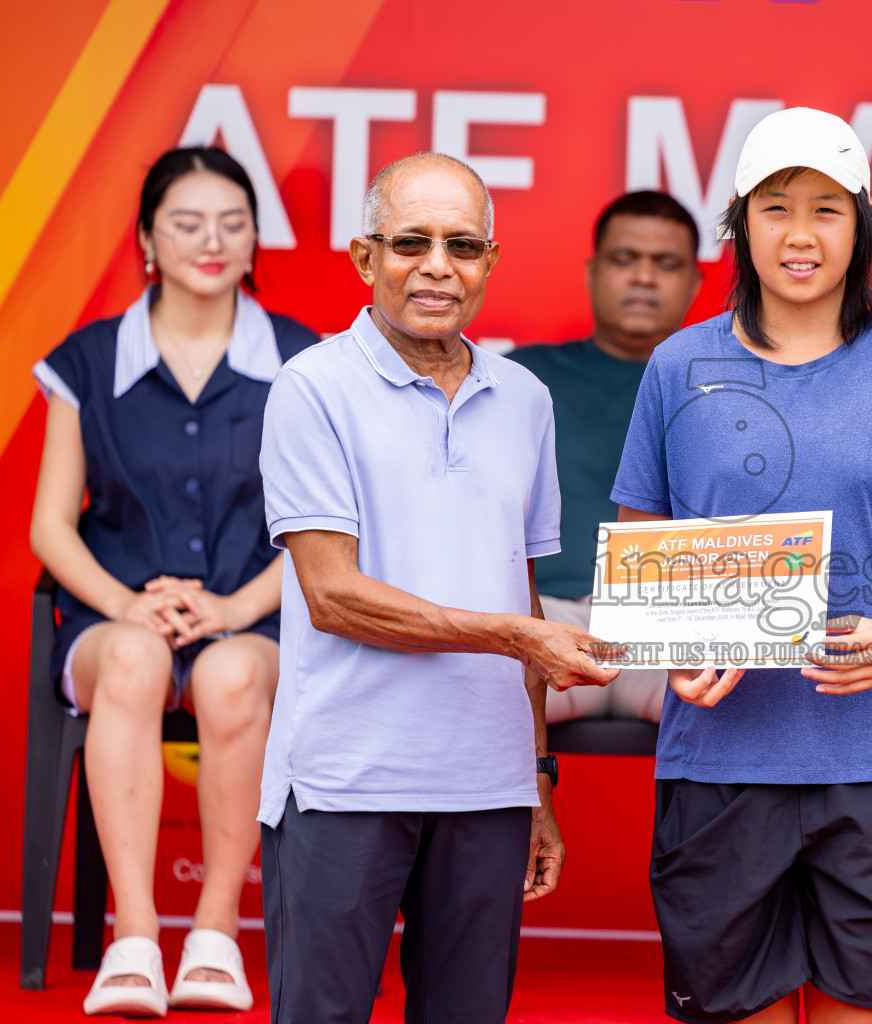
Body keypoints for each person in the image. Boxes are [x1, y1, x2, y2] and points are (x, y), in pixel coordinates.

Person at [612, 107, 872, 1024]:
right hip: (719, 760)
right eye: (776, 208)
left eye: (828, 209)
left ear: (863, 228)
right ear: (739, 225)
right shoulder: (677, 365)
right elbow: (646, 563)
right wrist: (682, 647)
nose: (802, 235)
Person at [256, 152, 621, 1024]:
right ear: (363, 257)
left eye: (462, 246)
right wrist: (510, 637)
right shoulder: (312, 389)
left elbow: (523, 595)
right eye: (411, 242)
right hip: (347, 779)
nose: (437, 266)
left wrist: (535, 776)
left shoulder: (526, 399)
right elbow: (334, 595)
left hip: (489, 788)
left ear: (490, 263)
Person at [28, 146, 319, 1017]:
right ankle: (134, 937)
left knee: (231, 674)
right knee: (133, 664)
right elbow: (50, 523)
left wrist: (234, 607)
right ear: (147, 238)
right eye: (187, 223)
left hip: (253, 614)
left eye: (232, 223)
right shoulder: (86, 363)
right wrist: (128, 604)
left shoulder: (303, 363)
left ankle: (216, 935)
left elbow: (323, 529)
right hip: (114, 616)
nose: (212, 241)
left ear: (254, 238)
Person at [507, 191, 703, 724]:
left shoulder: (733, 390)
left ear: (695, 282)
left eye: (666, 263)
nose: (643, 277)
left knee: (751, 705)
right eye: (624, 259)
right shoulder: (519, 379)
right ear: (593, 273)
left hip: (673, 627)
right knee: (471, 708)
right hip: (548, 621)